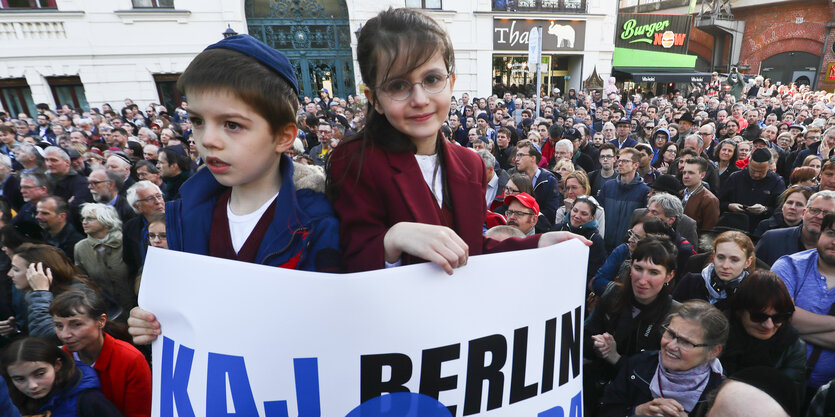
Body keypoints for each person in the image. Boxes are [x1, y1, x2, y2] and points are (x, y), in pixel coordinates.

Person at [327, 9, 589, 273]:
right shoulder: (353, 161)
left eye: (431, 80)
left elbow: (470, 252)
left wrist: (538, 243)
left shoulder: (470, 163)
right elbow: (352, 264)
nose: (420, 99)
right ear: (374, 99)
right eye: (398, 85)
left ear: (450, 83)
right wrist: (392, 240)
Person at [129, 34, 344, 344]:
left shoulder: (317, 223)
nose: (208, 140)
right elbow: (173, 306)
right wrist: (150, 321)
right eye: (198, 121)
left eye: (232, 124)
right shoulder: (181, 217)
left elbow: (335, 327)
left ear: (284, 137)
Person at [583, 236, 679, 415]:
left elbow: (662, 374)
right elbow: (583, 337)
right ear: (630, 266)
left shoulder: (674, 316)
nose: (642, 280)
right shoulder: (613, 294)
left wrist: (616, 358)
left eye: (653, 272)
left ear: (669, 275)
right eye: (638, 269)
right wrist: (596, 344)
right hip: (593, 391)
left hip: (635, 402)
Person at [600, 300, 726, 417]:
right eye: (670, 334)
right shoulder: (638, 365)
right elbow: (606, 411)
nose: (671, 346)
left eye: (686, 342)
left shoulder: (721, 396)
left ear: (713, 351)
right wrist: (638, 412)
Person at [51, 287, 151, 417]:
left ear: (101, 321)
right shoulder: (60, 360)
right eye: (59, 326)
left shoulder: (130, 359)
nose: (65, 335)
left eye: (76, 324)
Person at [771, 213, 835, 394]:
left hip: (829, 394)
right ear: (820, 234)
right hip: (779, 380)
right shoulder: (789, 266)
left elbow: (785, 322)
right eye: (831, 233)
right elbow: (780, 316)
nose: (834, 242)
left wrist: (791, 326)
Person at [720, 270, 806, 390]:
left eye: (778, 318)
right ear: (739, 312)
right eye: (759, 317)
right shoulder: (716, 336)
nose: (769, 325)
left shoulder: (793, 346)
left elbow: (789, 396)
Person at [0, 337, 122, 416]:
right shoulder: (9, 401)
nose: (32, 386)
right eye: (19, 379)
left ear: (57, 365)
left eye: (40, 374)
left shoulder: (88, 400)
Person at [6, 243, 93, 341]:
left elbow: (46, 336)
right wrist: (17, 330)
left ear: (39, 272)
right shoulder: (31, 293)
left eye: (16, 270)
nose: (9, 274)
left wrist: (40, 293)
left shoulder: (77, 295)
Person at [73, 203, 133, 321]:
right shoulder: (80, 248)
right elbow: (82, 280)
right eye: (83, 218)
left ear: (106, 222)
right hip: (108, 313)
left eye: (90, 218)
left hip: (136, 307)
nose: (84, 222)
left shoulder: (126, 241)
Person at [673, 231, 755, 310]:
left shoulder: (751, 294)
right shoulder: (690, 282)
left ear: (747, 262)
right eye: (721, 257)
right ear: (713, 256)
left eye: (734, 260)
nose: (725, 266)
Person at [756, 190, 835, 266]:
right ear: (804, 213)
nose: (819, 216)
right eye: (814, 210)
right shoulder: (772, 239)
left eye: (827, 214)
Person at [599, 147, 650, 252]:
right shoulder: (608, 186)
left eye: (625, 161)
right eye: (619, 160)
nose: (620, 164)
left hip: (627, 247)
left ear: (636, 165)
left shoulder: (644, 191)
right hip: (604, 245)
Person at [552, 195, 607, 283]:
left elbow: (594, 272)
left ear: (591, 218)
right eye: (575, 210)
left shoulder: (595, 239)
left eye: (584, 214)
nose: (577, 216)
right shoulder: (558, 229)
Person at [682, 156, 720, 233]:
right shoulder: (680, 194)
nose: (686, 176)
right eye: (684, 172)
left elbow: (708, 232)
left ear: (702, 175)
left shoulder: (709, 200)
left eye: (691, 173)